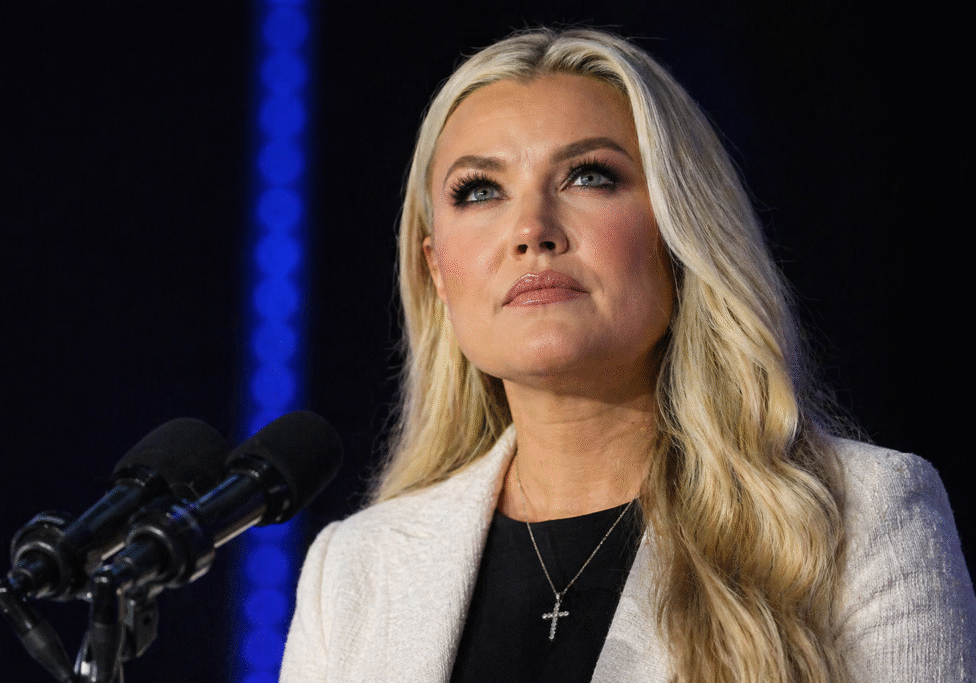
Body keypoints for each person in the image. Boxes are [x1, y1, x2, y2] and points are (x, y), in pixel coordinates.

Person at [279, 28, 975, 682]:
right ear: (437, 269)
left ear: (680, 228)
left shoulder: (861, 517)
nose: (531, 230)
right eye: (479, 190)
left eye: (589, 177)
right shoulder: (354, 569)